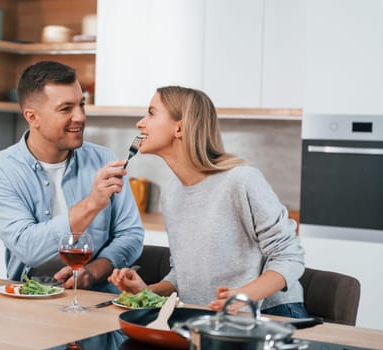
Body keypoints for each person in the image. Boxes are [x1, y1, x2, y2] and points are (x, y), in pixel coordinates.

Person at [108, 86, 308, 318]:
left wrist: (242, 296)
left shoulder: (240, 179)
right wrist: (147, 291)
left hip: (272, 314)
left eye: (151, 113)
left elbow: (289, 256)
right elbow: (184, 272)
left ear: (179, 127)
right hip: (211, 317)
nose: (140, 123)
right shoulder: (172, 192)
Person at [0, 61, 144, 293]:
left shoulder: (104, 159)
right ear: (32, 117)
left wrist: (94, 271)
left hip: (97, 301)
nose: (80, 116)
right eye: (66, 109)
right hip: (31, 300)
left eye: (81, 105)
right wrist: (92, 204)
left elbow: (131, 234)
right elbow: (29, 248)